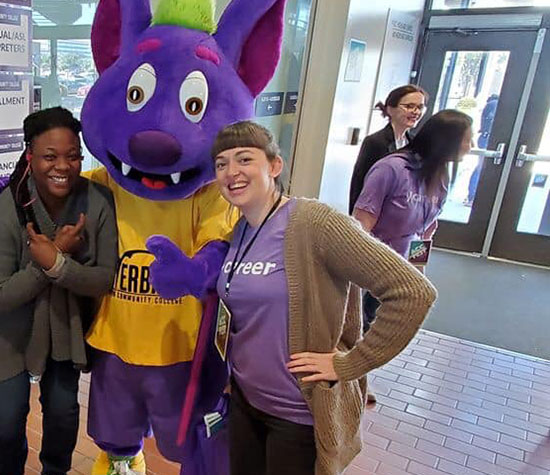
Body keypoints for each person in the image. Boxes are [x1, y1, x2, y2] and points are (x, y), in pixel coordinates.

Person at [146, 121, 437, 475]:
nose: (231, 172)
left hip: (297, 414)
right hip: (246, 403)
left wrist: (348, 364)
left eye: (244, 159)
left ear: (274, 166)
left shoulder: (315, 223)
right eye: (221, 164)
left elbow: (413, 291)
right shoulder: (240, 231)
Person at [0, 107, 118, 475]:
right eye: (50, 156)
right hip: (7, 333)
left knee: (63, 414)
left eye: (72, 156)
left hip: (62, 328)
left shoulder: (97, 201)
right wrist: (51, 260)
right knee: (6, 423)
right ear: (30, 157)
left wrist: (57, 263)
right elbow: (2, 294)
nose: (63, 166)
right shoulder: (7, 207)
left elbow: (104, 279)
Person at [353, 109, 472, 331]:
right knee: (360, 334)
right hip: (373, 273)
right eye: (467, 140)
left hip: (401, 274)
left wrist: (419, 272)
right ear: (447, 141)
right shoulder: (391, 169)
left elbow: (424, 232)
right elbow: (360, 227)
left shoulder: (440, 176)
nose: (470, 146)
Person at [349, 85, 427, 213]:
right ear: (390, 109)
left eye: (420, 107)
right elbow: (359, 183)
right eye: (409, 106)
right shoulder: (374, 142)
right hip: (375, 211)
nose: (416, 112)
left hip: (402, 213)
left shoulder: (416, 143)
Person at [466, 94, 499, 205]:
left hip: (484, 138)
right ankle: (472, 197)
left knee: (480, 168)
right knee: (481, 169)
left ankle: (472, 196)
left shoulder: (490, 104)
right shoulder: (494, 104)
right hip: (487, 139)